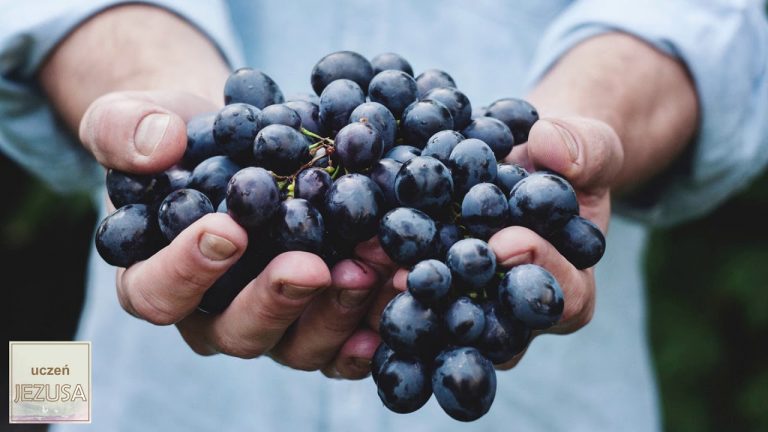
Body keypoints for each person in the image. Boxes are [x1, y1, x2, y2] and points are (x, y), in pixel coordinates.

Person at [2, 0, 767, 430]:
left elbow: (714, 21)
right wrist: (152, 91)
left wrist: (583, 126)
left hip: (538, 358)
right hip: (157, 381)